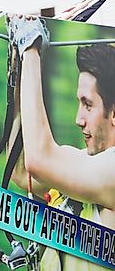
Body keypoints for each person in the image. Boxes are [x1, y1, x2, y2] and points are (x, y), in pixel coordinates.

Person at [8, 16, 115, 270]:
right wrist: (22, 65)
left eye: (88, 105)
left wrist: (31, 49)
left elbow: (39, 160)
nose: (79, 119)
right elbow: (22, 171)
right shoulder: (81, 163)